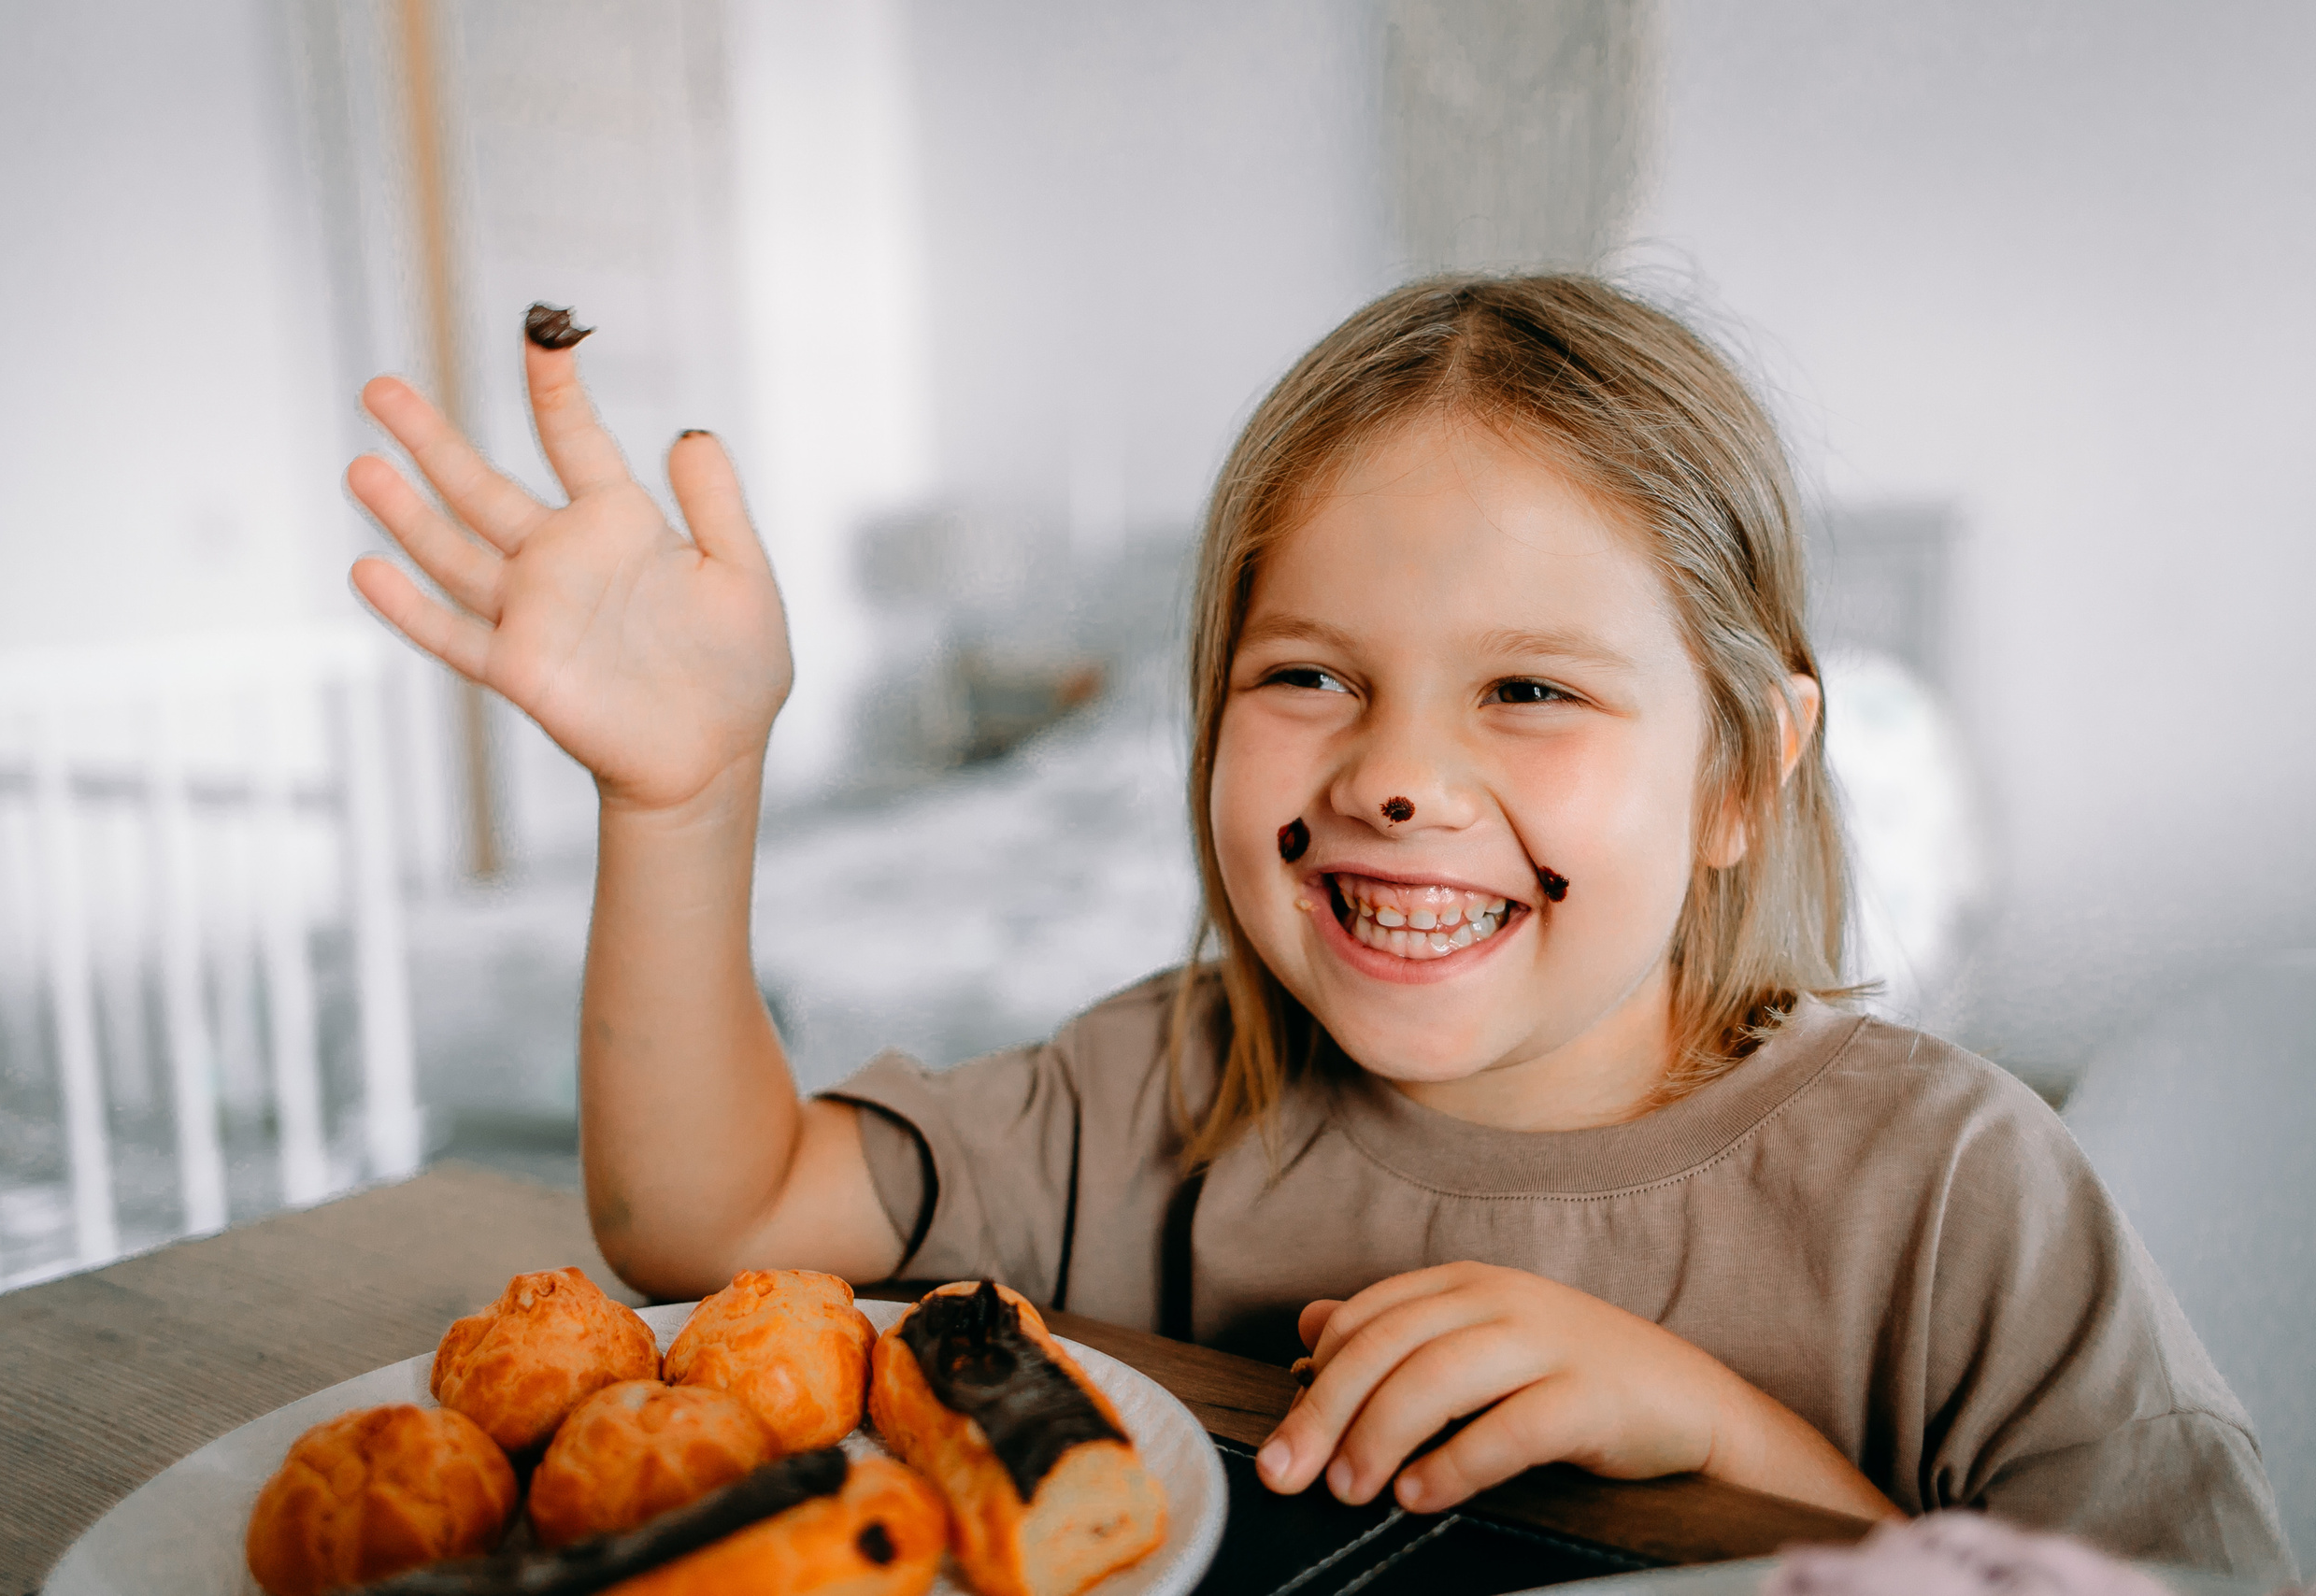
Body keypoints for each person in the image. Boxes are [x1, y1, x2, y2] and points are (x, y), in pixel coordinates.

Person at [346, 278, 2290, 1576]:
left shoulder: (1956, 1194)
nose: (1394, 776)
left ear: (1735, 776)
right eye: (1305, 674)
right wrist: (681, 801)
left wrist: (1727, 1443)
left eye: (1527, 689)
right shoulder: (1164, 1076)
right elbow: (714, 1224)